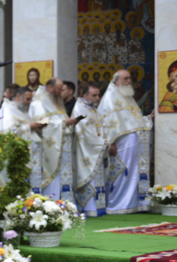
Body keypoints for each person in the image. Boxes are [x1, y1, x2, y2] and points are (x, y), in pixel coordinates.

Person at [100, 69, 153, 214]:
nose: (129, 81)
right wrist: (109, 143)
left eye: (130, 78)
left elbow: (134, 121)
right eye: (126, 78)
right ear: (116, 80)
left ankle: (134, 203)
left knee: (133, 173)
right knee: (122, 174)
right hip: (121, 145)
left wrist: (148, 118)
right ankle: (118, 205)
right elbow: (107, 123)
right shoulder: (110, 97)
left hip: (133, 144)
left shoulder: (128, 96)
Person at [29, 78, 79, 201]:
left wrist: (67, 123)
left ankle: (65, 205)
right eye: (59, 89)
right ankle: (52, 204)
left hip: (62, 145)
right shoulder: (39, 103)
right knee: (53, 178)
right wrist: (64, 123)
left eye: (63, 89)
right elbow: (40, 124)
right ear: (50, 88)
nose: (61, 92)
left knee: (64, 176)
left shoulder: (55, 102)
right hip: (49, 149)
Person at [0, 89, 46, 193]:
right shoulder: (8, 110)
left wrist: (37, 127)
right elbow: (8, 133)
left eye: (31, 99)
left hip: (33, 155)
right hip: (20, 157)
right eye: (27, 99)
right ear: (18, 96)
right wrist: (29, 127)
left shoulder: (22, 111)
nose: (30, 102)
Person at [71, 83, 108, 217]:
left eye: (98, 95)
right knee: (89, 177)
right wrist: (101, 142)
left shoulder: (95, 110)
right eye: (94, 95)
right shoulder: (79, 108)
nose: (97, 98)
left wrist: (105, 139)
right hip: (85, 152)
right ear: (85, 95)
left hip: (97, 150)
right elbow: (81, 131)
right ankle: (88, 208)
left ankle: (98, 207)